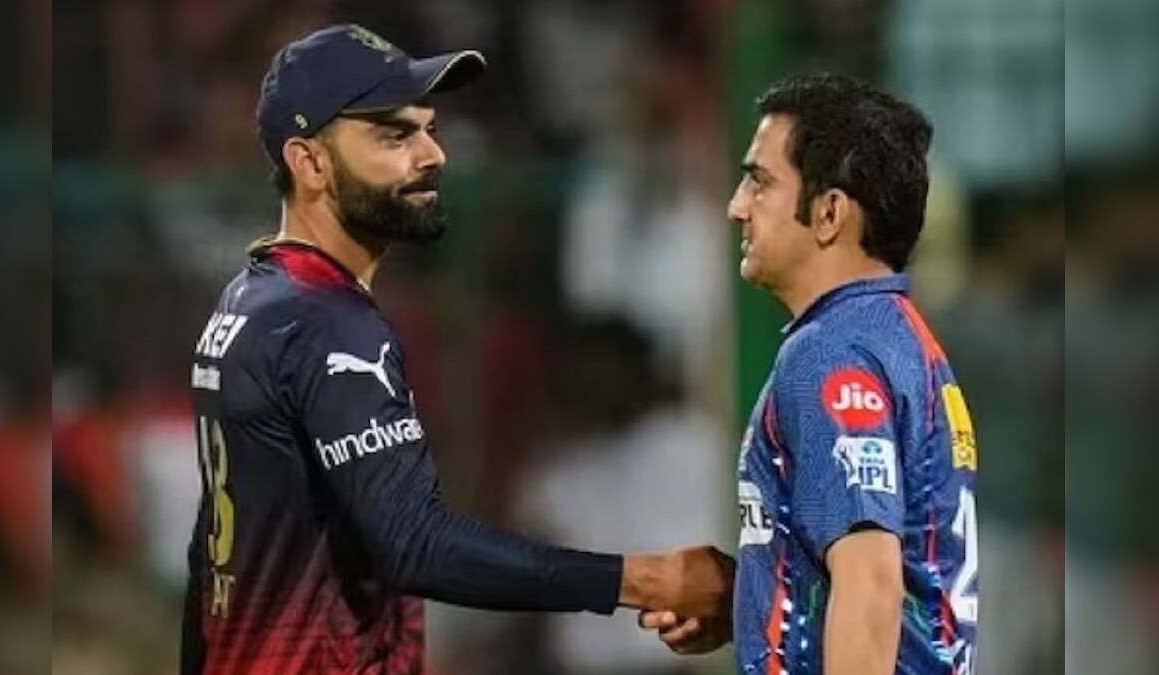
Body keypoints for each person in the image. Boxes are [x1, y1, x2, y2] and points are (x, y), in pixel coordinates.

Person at [180, 24, 733, 675]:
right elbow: (416, 545)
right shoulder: (329, 325)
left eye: (427, 129)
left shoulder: (249, 300)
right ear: (311, 163)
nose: (432, 154)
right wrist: (650, 580)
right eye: (393, 136)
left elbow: (212, 560)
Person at [641, 73, 979, 674]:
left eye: (760, 181)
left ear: (828, 213)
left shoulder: (829, 355)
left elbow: (870, 587)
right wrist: (752, 600)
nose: (737, 206)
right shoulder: (903, 341)